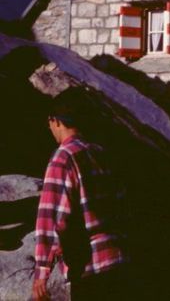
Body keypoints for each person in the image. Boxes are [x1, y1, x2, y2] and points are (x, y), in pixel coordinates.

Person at [33, 88, 128, 300]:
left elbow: (52, 218)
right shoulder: (100, 153)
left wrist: (42, 271)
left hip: (89, 267)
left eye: (49, 123)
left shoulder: (63, 159)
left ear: (56, 121)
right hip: (118, 259)